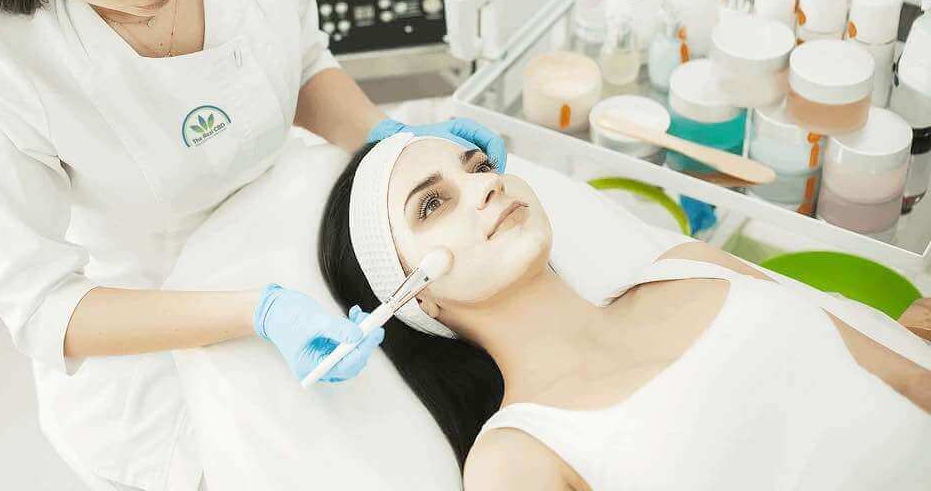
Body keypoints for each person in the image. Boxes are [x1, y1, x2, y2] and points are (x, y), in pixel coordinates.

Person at [0, 0, 506, 489]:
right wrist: (256, 313)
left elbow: (303, 61)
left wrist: (391, 140)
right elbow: (44, 308)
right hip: (152, 309)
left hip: (296, 215)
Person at [319, 134, 931, 491]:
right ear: (414, 296)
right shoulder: (515, 460)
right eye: (432, 204)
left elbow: (910, 375)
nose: (486, 186)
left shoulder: (688, 267)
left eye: (478, 166)